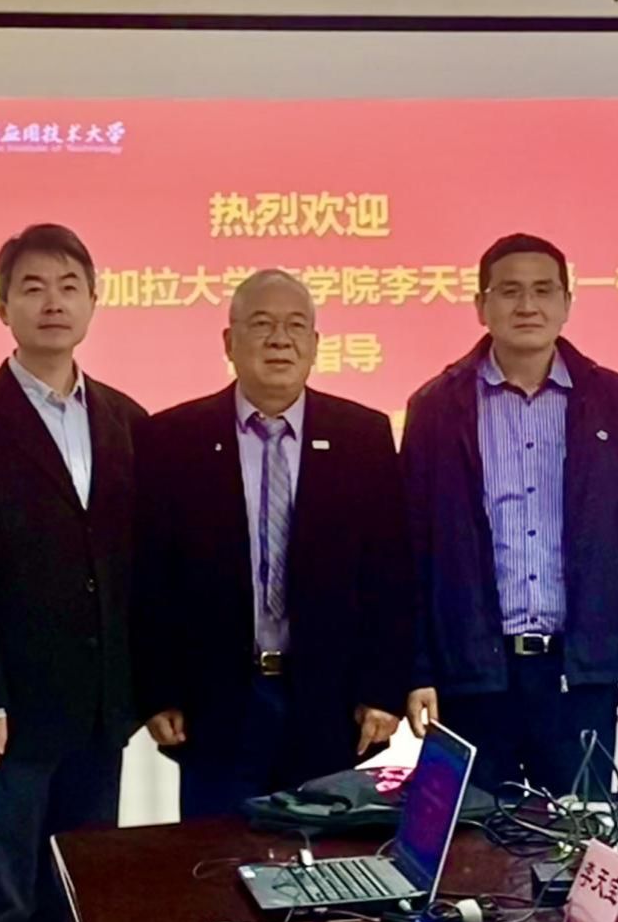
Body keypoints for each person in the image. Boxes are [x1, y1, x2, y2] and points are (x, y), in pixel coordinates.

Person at [0, 224, 146, 922]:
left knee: (77, 898)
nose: (53, 302)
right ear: (1, 305)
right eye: (33, 287)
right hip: (7, 711)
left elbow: (134, 568)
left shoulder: (127, 420)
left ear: (93, 301)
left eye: (69, 286)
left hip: (99, 710)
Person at [134, 269, 413, 817]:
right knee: (216, 858)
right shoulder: (172, 438)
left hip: (328, 706)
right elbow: (151, 578)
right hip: (214, 706)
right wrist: (158, 690)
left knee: (323, 857)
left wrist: (382, 689)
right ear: (229, 342)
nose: (279, 340)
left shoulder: (363, 436)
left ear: (315, 343)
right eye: (261, 324)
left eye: (295, 326)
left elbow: (389, 575)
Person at [402, 233, 618, 796]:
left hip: (578, 675)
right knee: (473, 839)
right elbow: (413, 551)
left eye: (544, 290)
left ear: (567, 303)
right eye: (510, 291)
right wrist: (418, 669)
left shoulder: (615, 401)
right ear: (481, 305)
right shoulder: (435, 407)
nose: (528, 305)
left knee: (582, 835)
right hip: (473, 676)